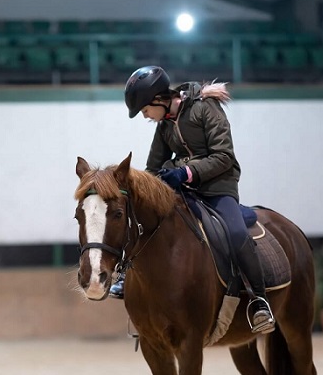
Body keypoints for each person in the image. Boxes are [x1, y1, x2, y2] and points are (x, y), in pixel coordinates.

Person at [109, 65, 275, 335]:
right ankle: (128, 280)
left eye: (144, 110)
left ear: (158, 100)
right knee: (144, 223)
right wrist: (151, 186)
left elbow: (224, 157)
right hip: (183, 192)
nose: (145, 116)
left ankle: (259, 301)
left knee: (234, 233)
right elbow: (152, 169)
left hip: (218, 189)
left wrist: (185, 172)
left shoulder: (205, 108)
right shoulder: (164, 125)